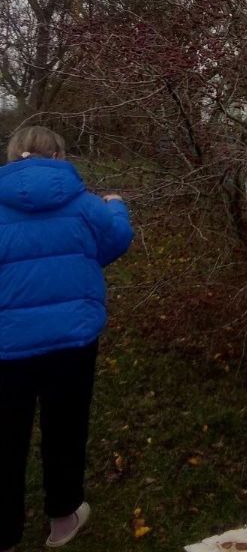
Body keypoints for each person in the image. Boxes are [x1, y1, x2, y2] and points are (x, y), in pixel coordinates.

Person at [0, 126, 134, 550]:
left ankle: (3, 531)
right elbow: (115, 241)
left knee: (6, 434)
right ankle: (62, 519)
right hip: (72, 340)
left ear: (12, 156)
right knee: (66, 427)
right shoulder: (85, 204)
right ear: (58, 156)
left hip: (7, 344)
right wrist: (117, 206)